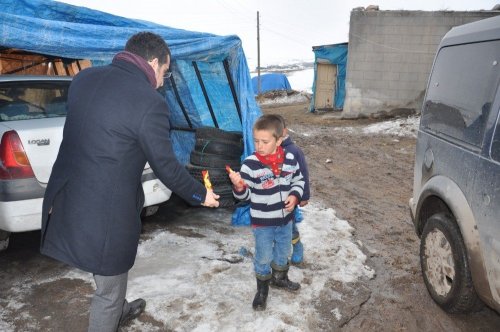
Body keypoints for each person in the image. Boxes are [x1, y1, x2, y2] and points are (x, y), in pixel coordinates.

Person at [40, 32, 219, 332]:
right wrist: (202, 195)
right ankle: (113, 310)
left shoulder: (84, 80)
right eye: (164, 70)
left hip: (67, 195)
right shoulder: (150, 103)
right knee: (108, 291)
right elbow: (166, 166)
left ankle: (120, 309)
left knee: (107, 274)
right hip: (104, 211)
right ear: (152, 62)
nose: (163, 80)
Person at [228, 114, 304, 311]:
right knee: (263, 256)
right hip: (263, 223)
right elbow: (244, 196)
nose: (259, 146)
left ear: (279, 140)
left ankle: (280, 278)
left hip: (286, 220)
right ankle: (262, 291)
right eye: (256, 141)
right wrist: (239, 186)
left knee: (283, 252)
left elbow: (299, 180)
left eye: (264, 141)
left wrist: (295, 196)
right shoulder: (250, 164)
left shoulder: (289, 159)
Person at [275, 114, 310, 265]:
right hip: (273, 197)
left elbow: (303, 173)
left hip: (290, 197)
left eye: (277, 130)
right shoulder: (269, 150)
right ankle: (277, 250)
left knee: (290, 226)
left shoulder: (294, 151)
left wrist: (304, 196)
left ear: (285, 130)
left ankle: (297, 247)